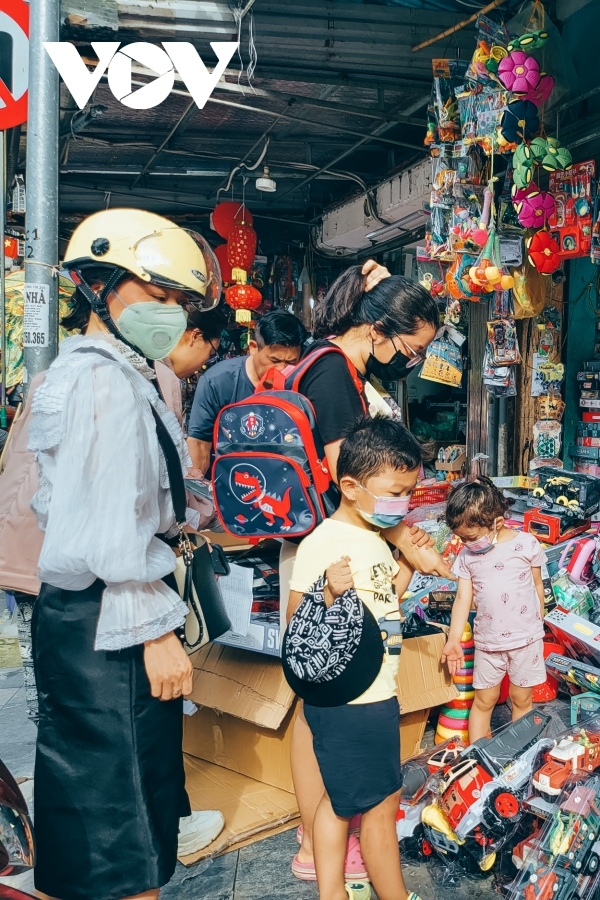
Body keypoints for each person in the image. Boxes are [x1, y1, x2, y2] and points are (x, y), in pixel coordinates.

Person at [27, 208, 221, 900]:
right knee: (124, 838)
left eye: (179, 302)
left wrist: (190, 504)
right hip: (110, 621)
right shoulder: (104, 379)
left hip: (88, 618)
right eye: (158, 295)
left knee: (91, 822)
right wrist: (153, 630)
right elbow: (106, 527)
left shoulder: (110, 372)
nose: (171, 314)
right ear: (99, 286)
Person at [286, 262, 447, 882]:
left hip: (340, 552)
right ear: (380, 328)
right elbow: (342, 473)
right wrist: (413, 544)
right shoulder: (332, 371)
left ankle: (325, 831)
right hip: (331, 553)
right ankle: (321, 834)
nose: (413, 359)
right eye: (413, 346)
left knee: (320, 702)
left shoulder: (337, 366)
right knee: (320, 697)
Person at [287, 417, 425, 900]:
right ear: (349, 486)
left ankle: (333, 893)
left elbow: (385, 602)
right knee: (379, 806)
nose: (403, 505)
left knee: (342, 803)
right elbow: (297, 628)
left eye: (410, 492)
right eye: (396, 492)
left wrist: (407, 565)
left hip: (371, 691)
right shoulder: (323, 544)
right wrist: (327, 593)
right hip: (355, 698)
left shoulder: (372, 539)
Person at [442, 478, 547, 742]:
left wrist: (539, 624)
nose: (467, 543)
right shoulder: (466, 557)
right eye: (461, 538)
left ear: (497, 523)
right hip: (488, 643)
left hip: (526, 640)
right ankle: (479, 755)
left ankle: (521, 752)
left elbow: (538, 586)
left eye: (471, 537)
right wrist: (454, 639)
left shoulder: (526, 544)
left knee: (521, 698)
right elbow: (462, 600)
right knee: (484, 700)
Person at [186, 309, 307, 474]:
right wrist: (197, 482)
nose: (282, 369)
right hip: (231, 478)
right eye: (274, 360)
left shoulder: (301, 382)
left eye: (291, 361)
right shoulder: (218, 381)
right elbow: (199, 442)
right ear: (253, 347)